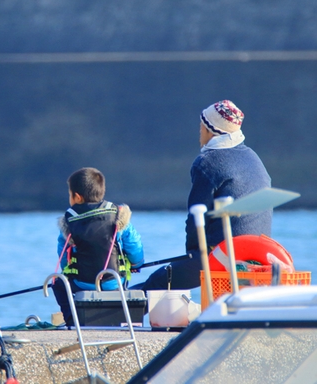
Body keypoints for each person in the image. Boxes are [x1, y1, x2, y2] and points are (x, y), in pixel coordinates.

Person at [133, 99, 272, 291]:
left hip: (227, 256)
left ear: (209, 129)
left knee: (159, 280)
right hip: (260, 256)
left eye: (201, 126)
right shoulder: (254, 158)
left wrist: (192, 256)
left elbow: (196, 218)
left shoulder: (207, 162)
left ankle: (111, 317)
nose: (199, 131)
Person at [52, 167, 144, 325]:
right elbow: (134, 246)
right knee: (127, 280)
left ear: (78, 197)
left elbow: (64, 259)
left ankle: (72, 321)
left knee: (58, 283)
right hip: (115, 282)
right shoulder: (118, 216)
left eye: (70, 194)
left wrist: (68, 271)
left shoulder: (68, 222)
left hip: (81, 284)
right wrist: (136, 264)